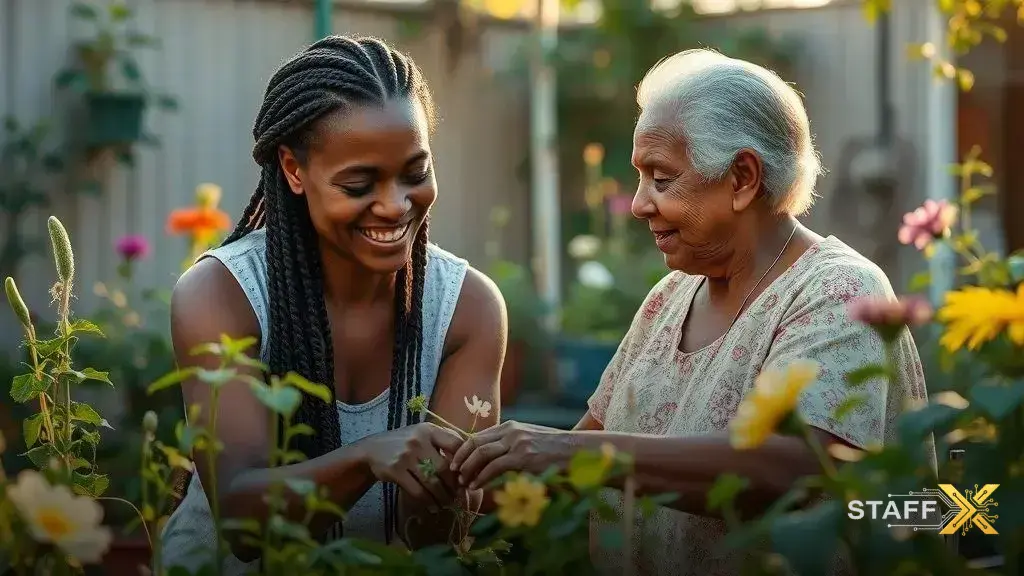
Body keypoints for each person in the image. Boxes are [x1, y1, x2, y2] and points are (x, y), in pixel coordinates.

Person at [451, 49, 934, 575]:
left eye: (662, 179)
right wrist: (460, 468)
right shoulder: (670, 297)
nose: (639, 204)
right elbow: (579, 451)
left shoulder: (839, 289)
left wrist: (568, 453)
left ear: (742, 178)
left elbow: (797, 465)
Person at [158, 36, 506, 574]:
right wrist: (367, 458)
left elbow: (438, 539)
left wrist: (452, 491)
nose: (394, 205)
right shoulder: (223, 294)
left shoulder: (467, 308)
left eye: (415, 173)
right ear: (294, 170)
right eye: (359, 183)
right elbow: (245, 525)